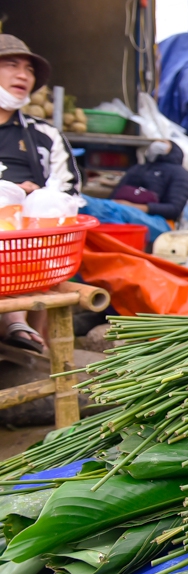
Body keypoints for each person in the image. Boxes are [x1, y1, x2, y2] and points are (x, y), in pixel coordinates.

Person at [0, 35, 81, 354]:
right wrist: (13, 189)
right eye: (11, 65)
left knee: (46, 201)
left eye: (29, 70)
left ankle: (19, 320)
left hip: (27, 251)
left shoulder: (45, 135)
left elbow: (68, 191)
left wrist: (32, 197)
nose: (23, 75)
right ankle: (14, 320)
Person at [80, 140, 188, 243]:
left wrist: (133, 206)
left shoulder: (181, 174)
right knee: (87, 205)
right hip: (122, 210)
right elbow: (115, 197)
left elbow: (174, 209)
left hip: (160, 222)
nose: (157, 144)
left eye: (163, 142)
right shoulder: (137, 169)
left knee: (98, 206)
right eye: (156, 141)